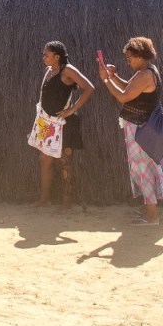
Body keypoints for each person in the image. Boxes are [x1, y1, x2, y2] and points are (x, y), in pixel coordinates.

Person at [98, 36, 163, 225]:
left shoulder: (145, 75)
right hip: (144, 128)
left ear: (140, 56)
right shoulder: (146, 72)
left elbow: (124, 97)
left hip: (142, 130)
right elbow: (129, 88)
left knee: (144, 169)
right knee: (145, 168)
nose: (128, 61)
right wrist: (113, 77)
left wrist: (106, 80)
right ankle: (150, 212)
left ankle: (152, 217)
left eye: (130, 58)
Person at [33, 41, 94, 212]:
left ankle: (67, 203)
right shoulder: (49, 72)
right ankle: (44, 198)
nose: (43, 57)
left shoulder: (67, 70)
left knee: (65, 162)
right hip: (47, 123)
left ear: (56, 56)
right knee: (44, 160)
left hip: (65, 124)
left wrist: (72, 109)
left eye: (46, 54)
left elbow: (89, 88)